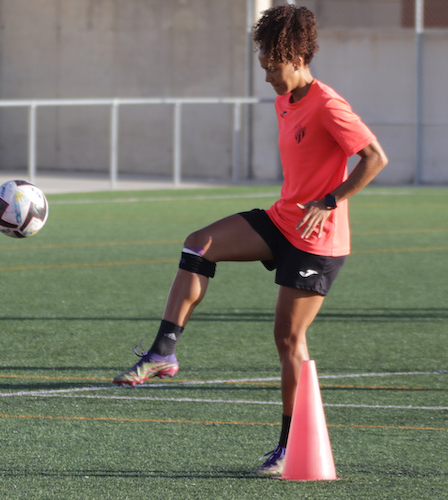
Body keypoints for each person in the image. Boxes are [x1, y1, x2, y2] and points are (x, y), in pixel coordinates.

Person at [112, 4, 388, 476]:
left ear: (298, 57)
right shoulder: (285, 99)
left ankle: (286, 449)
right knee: (198, 243)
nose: (267, 79)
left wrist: (330, 200)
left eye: (273, 68)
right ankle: (163, 352)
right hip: (283, 220)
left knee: (288, 339)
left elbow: (375, 157)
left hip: (316, 239)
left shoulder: (329, 104)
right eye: (263, 67)